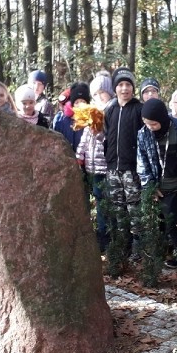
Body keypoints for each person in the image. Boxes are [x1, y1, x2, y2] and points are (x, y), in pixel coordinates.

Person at [137, 98, 177, 265]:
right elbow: (142, 163)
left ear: (162, 119)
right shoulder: (143, 135)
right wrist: (150, 186)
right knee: (171, 223)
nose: (150, 127)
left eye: (154, 124)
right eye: (146, 123)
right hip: (162, 188)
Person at [103, 67, 144, 259]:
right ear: (115, 88)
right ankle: (122, 244)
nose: (124, 89)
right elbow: (105, 135)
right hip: (113, 168)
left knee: (134, 207)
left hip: (131, 168)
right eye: (120, 85)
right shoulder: (110, 109)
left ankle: (137, 247)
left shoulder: (138, 109)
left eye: (128, 85)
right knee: (118, 208)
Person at [74, 104, 109, 251]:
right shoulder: (87, 130)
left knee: (104, 202)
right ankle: (101, 235)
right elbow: (82, 145)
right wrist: (78, 158)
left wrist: (99, 133)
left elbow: (107, 143)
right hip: (91, 170)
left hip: (104, 171)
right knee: (98, 200)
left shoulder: (104, 130)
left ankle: (106, 234)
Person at [52, 82, 90, 150]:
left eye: (83, 102)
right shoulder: (61, 120)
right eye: (77, 102)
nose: (80, 105)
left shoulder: (91, 121)